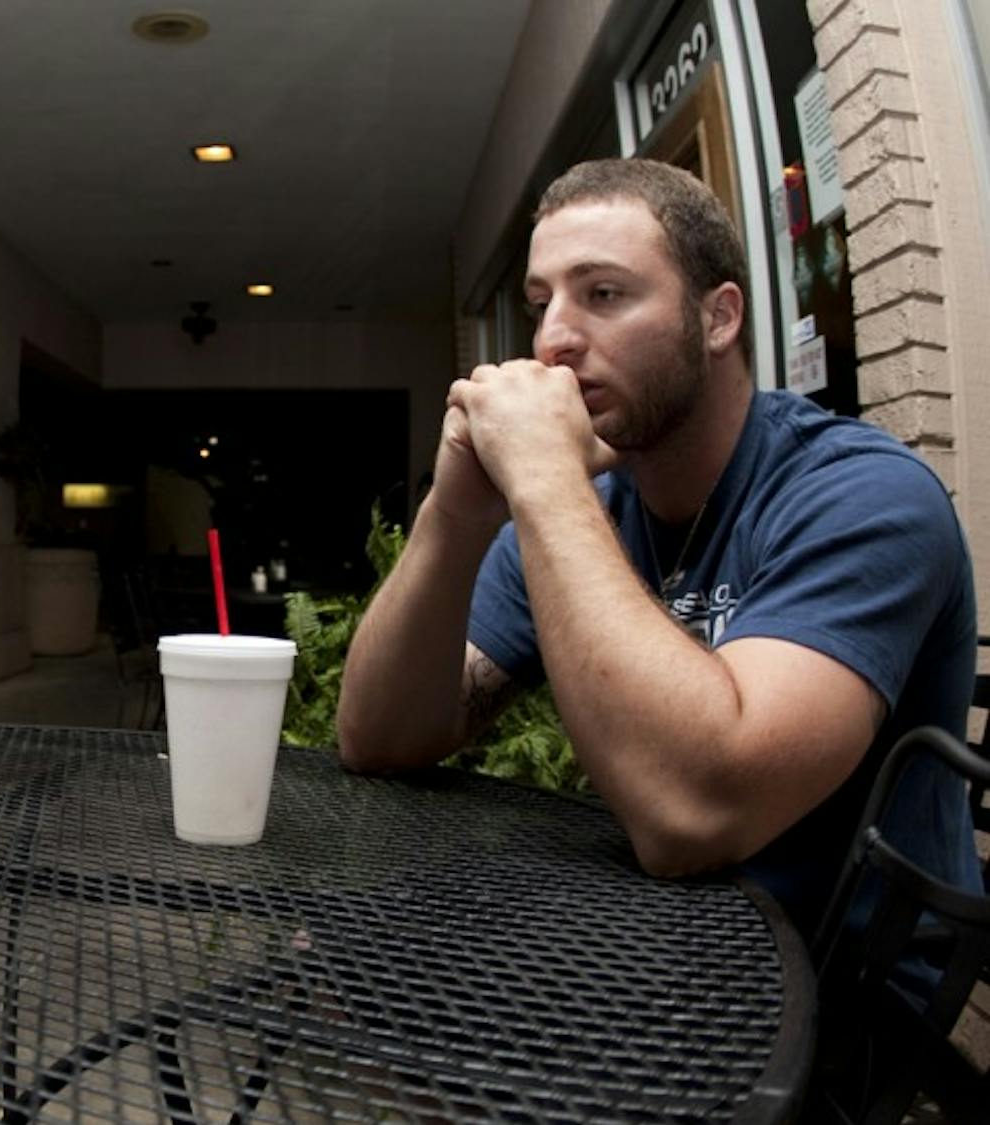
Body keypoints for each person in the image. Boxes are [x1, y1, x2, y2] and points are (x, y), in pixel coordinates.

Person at [337, 158, 980, 940]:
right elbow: (379, 740)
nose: (552, 341)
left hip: (840, 1001)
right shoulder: (586, 508)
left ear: (718, 319)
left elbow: (695, 818)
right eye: (541, 303)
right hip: (652, 953)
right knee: (346, 966)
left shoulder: (863, 495)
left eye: (603, 293)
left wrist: (543, 481)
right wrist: (456, 513)